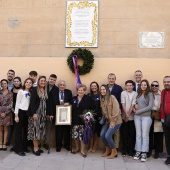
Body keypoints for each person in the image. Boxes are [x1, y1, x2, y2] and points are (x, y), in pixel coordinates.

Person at [72, 84, 95, 157]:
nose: (80, 91)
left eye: (82, 90)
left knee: (82, 136)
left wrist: (88, 116)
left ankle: (82, 150)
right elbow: (70, 106)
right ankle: (77, 148)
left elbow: (92, 109)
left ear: (84, 91)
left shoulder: (88, 98)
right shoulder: (73, 98)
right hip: (75, 119)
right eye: (79, 90)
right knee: (75, 135)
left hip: (84, 120)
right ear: (77, 91)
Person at [133, 79, 154, 162]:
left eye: (145, 85)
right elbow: (135, 103)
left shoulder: (150, 94)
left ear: (147, 86)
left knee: (145, 135)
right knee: (138, 134)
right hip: (137, 117)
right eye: (142, 85)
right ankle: (138, 151)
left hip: (146, 117)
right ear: (140, 86)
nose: (143, 86)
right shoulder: (138, 94)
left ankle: (144, 152)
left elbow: (150, 106)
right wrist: (135, 108)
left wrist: (139, 111)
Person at [100, 84, 122, 159]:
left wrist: (113, 122)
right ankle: (108, 149)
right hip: (107, 121)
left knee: (107, 135)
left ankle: (114, 150)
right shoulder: (102, 99)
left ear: (107, 90)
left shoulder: (112, 97)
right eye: (101, 90)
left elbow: (116, 110)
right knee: (102, 135)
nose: (102, 91)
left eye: (104, 89)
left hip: (116, 121)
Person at [27, 76, 48, 156]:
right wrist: (34, 113)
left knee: (40, 130)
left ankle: (38, 147)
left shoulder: (45, 90)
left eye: (44, 81)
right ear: (38, 81)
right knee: (35, 131)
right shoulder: (35, 89)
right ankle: (35, 148)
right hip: (36, 113)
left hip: (43, 114)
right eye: (41, 81)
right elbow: (32, 102)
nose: (43, 82)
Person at [50, 80, 72, 152]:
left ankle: (67, 145)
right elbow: (50, 103)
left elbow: (72, 101)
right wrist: (51, 114)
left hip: (66, 115)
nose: (62, 86)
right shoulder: (53, 92)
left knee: (67, 130)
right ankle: (58, 146)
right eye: (60, 85)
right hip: (57, 114)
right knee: (58, 131)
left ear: (65, 86)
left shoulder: (69, 92)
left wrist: (68, 103)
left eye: (63, 85)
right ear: (58, 85)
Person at [13, 78, 33, 156]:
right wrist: (16, 115)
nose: (28, 83)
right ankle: (18, 149)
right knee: (18, 131)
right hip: (21, 112)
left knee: (26, 131)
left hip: (27, 113)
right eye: (27, 82)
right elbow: (17, 103)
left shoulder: (31, 92)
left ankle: (25, 147)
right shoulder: (21, 91)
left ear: (32, 84)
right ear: (24, 83)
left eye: (30, 82)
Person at [121, 80, 137, 157]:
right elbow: (123, 103)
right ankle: (124, 150)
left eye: (131, 85)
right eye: (128, 85)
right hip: (124, 117)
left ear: (133, 86)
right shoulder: (123, 93)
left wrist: (128, 115)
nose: (129, 87)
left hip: (132, 117)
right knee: (124, 134)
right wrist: (126, 115)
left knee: (131, 134)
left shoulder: (135, 93)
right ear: (126, 86)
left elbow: (133, 104)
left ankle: (131, 150)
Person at [107, 73, 122, 151]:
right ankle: (109, 147)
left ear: (115, 79)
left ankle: (115, 147)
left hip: (116, 111)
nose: (111, 80)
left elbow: (120, 100)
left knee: (116, 131)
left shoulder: (119, 88)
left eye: (113, 78)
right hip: (108, 112)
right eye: (110, 78)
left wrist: (120, 110)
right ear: (108, 79)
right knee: (109, 129)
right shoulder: (105, 87)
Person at [43, 74, 58, 150]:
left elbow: (53, 102)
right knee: (40, 127)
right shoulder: (44, 86)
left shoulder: (56, 89)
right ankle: (38, 143)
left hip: (51, 112)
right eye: (51, 79)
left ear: (55, 81)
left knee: (48, 129)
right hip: (41, 110)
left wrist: (50, 113)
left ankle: (46, 143)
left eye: (54, 80)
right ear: (49, 79)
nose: (52, 81)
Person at [149, 81, 163, 159]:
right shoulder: (148, 94)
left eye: (156, 85)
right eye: (152, 85)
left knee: (158, 134)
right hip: (149, 116)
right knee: (149, 134)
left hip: (158, 116)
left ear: (158, 86)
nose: (154, 87)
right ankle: (150, 150)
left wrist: (159, 114)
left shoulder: (161, 94)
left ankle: (157, 151)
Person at [88, 81, 102, 153]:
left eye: (95, 86)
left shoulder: (100, 95)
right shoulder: (88, 95)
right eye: (92, 86)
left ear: (97, 87)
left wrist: (100, 115)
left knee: (96, 132)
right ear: (90, 87)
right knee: (91, 132)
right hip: (90, 117)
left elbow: (102, 107)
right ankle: (90, 146)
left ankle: (95, 146)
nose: (93, 87)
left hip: (98, 117)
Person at [8, 77, 22, 149]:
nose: (16, 82)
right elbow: (10, 101)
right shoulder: (11, 90)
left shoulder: (22, 90)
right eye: (15, 81)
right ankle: (10, 143)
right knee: (12, 128)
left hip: (21, 112)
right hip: (13, 111)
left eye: (17, 81)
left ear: (20, 82)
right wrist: (13, 109)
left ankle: (18, 144)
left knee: (19, 129)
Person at [0, 79, 13, 151]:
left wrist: (5, 113)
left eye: (5, 83)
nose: (4, 85)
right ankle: (0, 143)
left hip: (7, 114)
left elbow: (11, 104)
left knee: (6, 129)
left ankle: (5, 143)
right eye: (2, 84)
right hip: (0, 113)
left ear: (7, 84)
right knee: (0, 129)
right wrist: (1, 113)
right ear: (1, 85)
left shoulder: (10, 93)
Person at [160, 76, 170, 165]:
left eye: (168, 81)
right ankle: (169, 156)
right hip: (165, 118)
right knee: (167, 138)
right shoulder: (163, 91)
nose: (167, 83)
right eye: (165, 82)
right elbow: (162, 104)